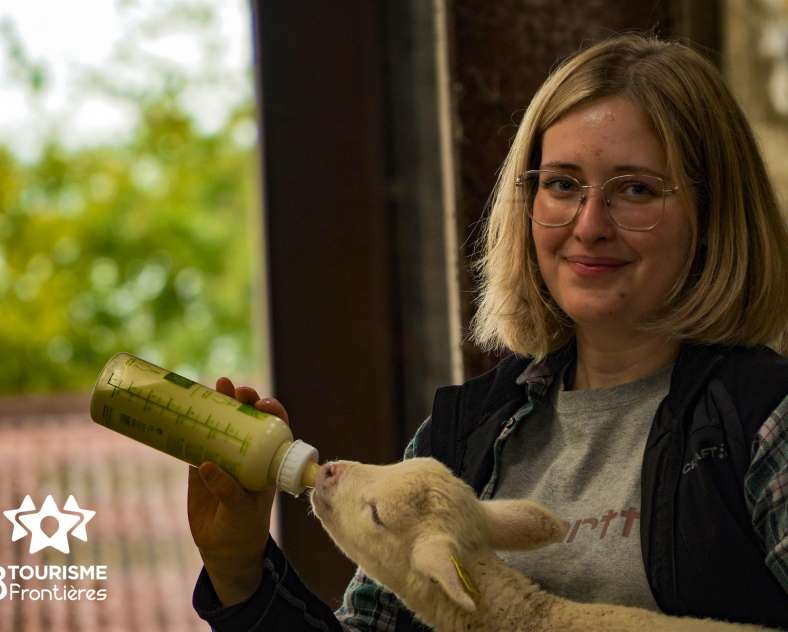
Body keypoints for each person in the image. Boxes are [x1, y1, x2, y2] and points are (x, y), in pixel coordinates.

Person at [188, 33, 788, 631]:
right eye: (561, 184)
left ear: (713, 215)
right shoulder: (463, 432)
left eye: (636, 189)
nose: (590, 224)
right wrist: (238, 569)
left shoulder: (763, 420)